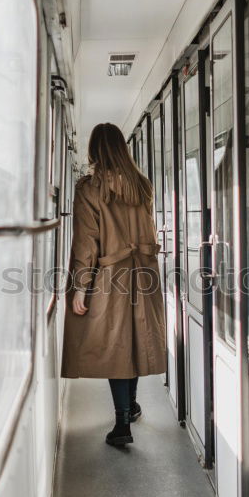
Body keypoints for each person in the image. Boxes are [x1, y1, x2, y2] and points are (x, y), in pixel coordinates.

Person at [61, 123, 166, 447]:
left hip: (110, 277)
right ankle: (131, 407)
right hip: (144, 273)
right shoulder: (141, 185)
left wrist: (81, 285)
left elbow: (87, 243)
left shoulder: (89, 189)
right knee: (133, 341)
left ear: (94, 150)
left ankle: (122, 423)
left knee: (115, 345)